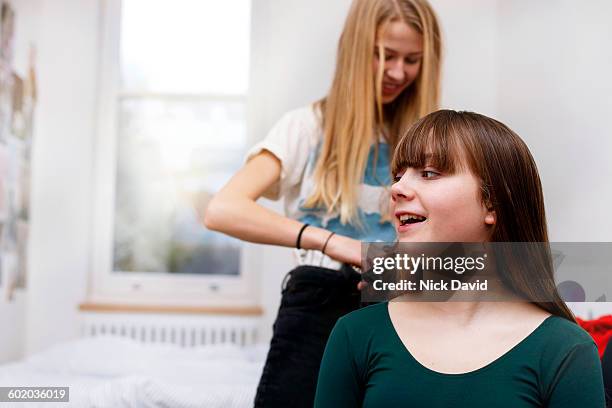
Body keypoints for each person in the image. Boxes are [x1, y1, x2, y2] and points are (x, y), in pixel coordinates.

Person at [203, 0, 442, 406]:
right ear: (354, 50)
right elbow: (221, 209)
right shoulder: (306, 128)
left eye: (412, 59)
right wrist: (331, 243)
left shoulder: (427, 142)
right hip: (319, 302)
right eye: (384, 55)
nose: (398, 72)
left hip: (400, 310)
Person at [314, 110, 606, 407]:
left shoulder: (564, 350)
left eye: (428, 173)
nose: (397, 188)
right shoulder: (355, 335)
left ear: (491, 203)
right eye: (398, 176)